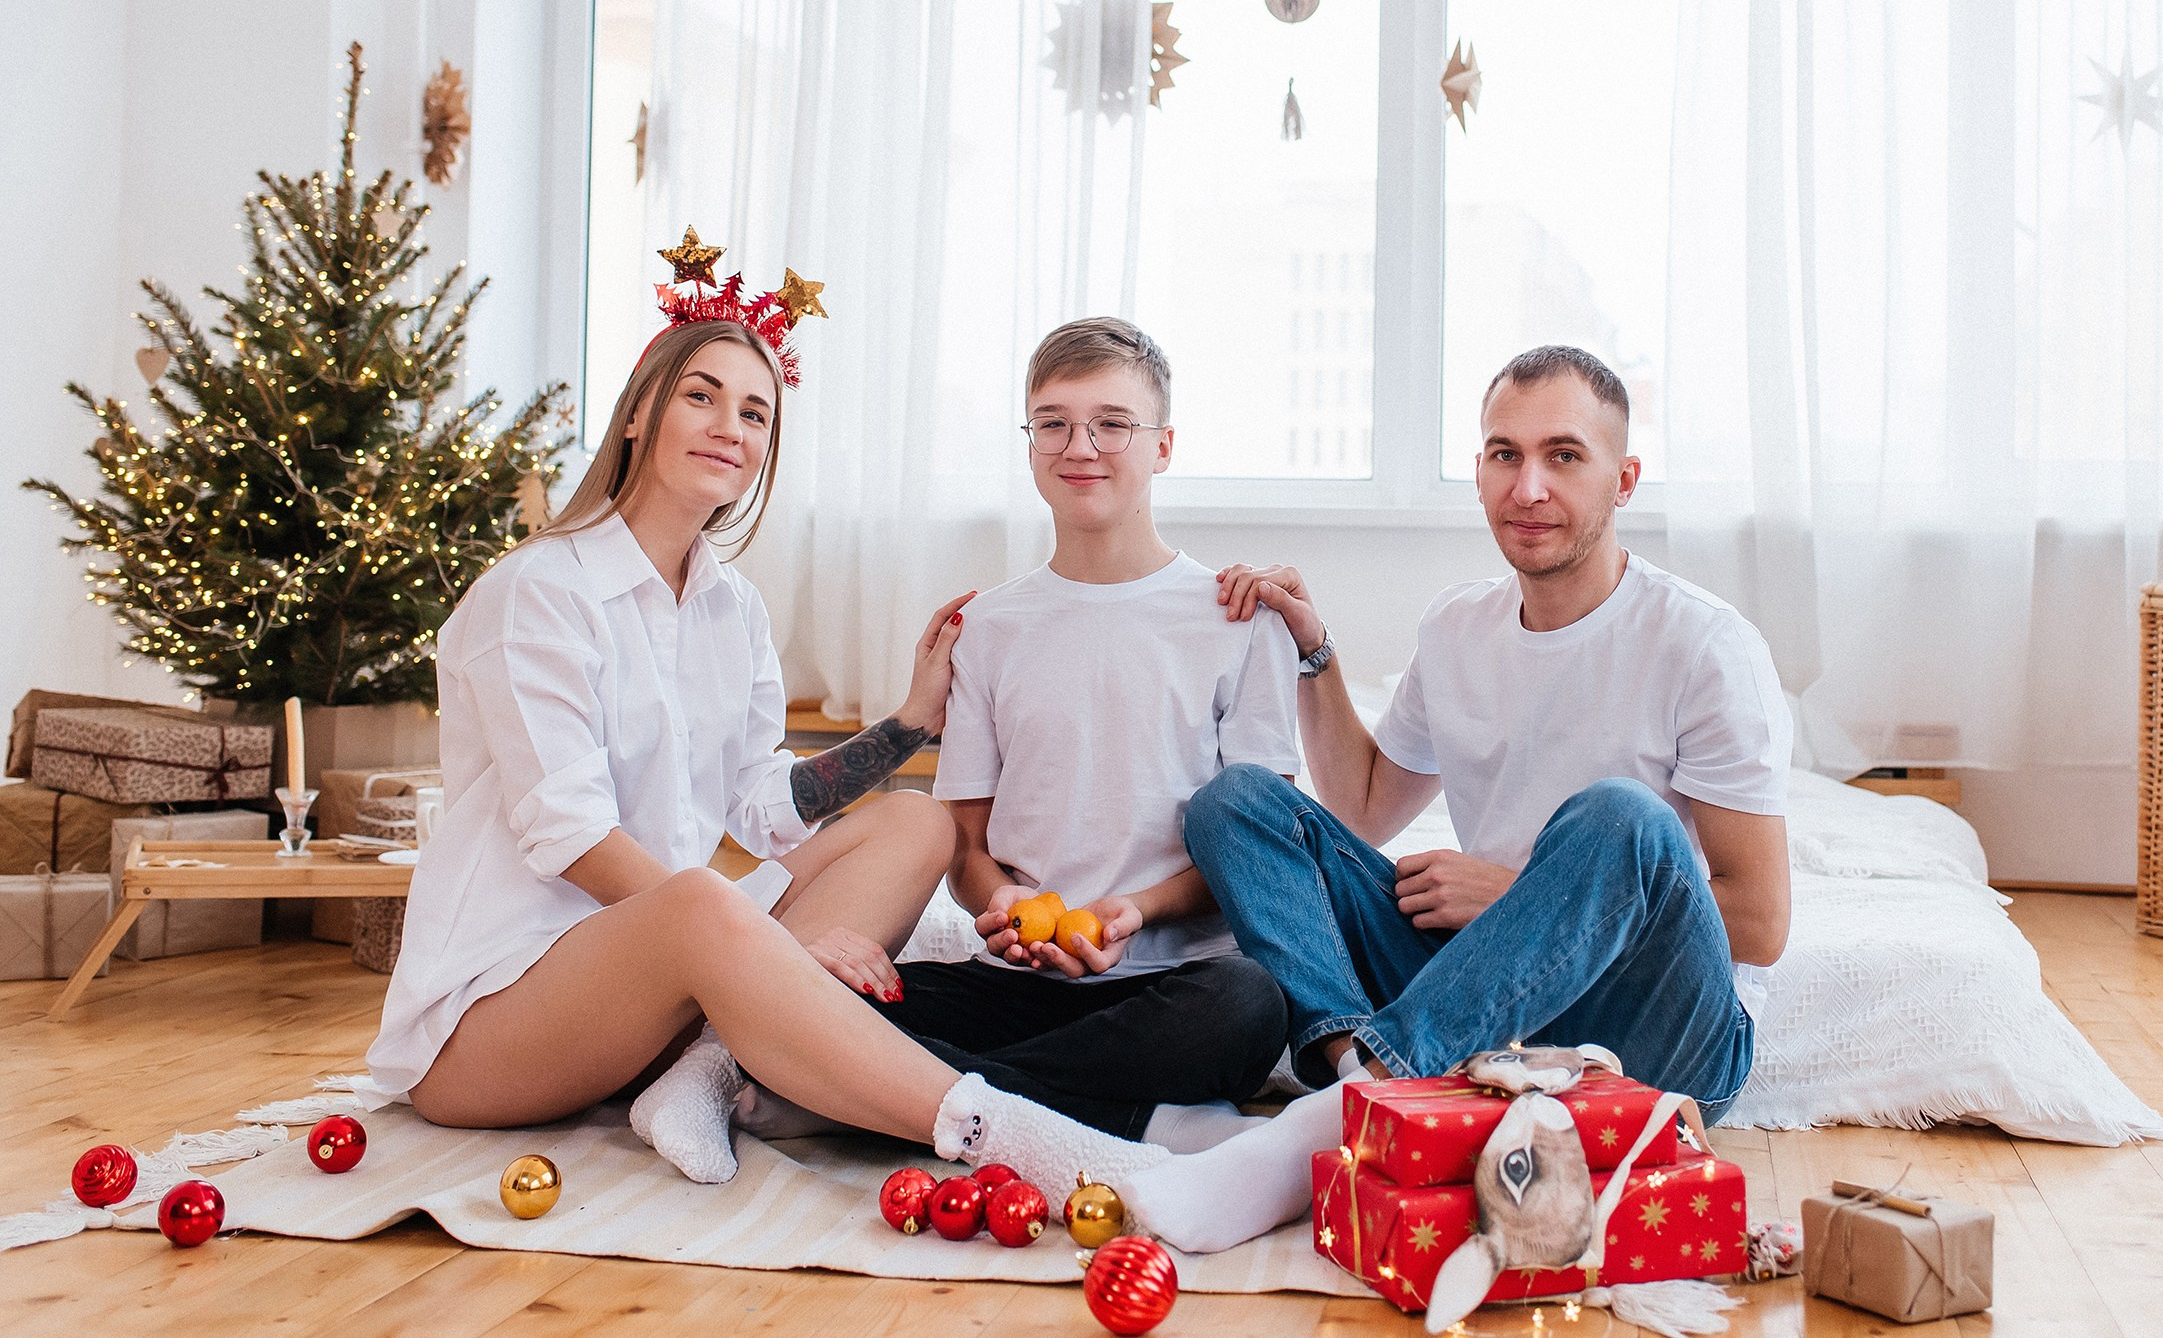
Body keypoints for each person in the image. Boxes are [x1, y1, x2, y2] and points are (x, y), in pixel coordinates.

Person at [356, 257, 1172, 1205]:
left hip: (660, 992)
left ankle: (703, 1075)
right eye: (701, 396)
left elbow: (761, 804)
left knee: (917, 824)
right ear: (636, 415)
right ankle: (1008, 1132)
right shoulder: (537, 592)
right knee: (704, 901)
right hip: (490, 1029)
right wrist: (768, 947)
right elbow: (569, 833)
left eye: (754, 412)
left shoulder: (730, 607)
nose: (730, 427)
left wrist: (909, 724)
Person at [1107, 344, 1794, 1254]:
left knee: (1624, 815)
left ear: (1623, 479)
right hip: (1481, 998)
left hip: (1655, 1034)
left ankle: (1341, 1112)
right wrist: (1315, 652)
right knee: (1235, 802)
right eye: (1504, 454)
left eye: (1564, 455)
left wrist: (1513, 891)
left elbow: (1760, 921)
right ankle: (1358, 1071)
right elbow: (1357, 807)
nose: (1529, 486)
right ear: (1478, 470)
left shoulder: (1705, 645)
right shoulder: (1458, 625)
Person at [737, 318, 1295, 1154]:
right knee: (820, 997)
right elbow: (965, 849)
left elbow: (1256, 851)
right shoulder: (991, 625)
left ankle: (921, 1099)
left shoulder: (1236, 616)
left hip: (1174, 982)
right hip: (1016, 980)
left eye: (1113, 423)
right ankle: (1120, 1115)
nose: (1082, 446)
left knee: (1253, 1003)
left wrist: (1135, 912)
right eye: (1053, 422)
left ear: (1164, 445)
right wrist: (997, 903)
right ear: (1030, 440)